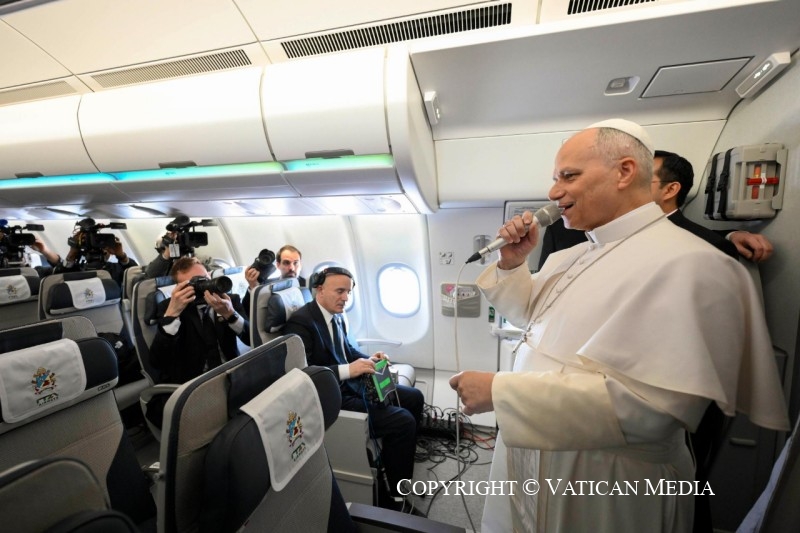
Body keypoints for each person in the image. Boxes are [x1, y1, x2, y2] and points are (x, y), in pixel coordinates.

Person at [449, 119, 789, 533]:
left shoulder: (691, 264)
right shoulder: (570, 256)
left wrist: (499, 391)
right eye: (555, 179)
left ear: (624, 172)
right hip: (536, 453)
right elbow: (533, 318)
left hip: (607, 482)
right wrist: (513, 262)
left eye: (568, 176)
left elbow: (651, 411)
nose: (553, 193)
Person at [283, 266, 424, 510]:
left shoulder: (336, 316)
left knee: (414, 397)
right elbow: (303, 372)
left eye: (348, 292)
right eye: (339, 291)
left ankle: (403, 455)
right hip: (330, 394)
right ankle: (397, 497)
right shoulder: (302, 323)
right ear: (319, 289)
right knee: (403, 421)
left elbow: (348, 351)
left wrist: (371, 360)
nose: (345, 298)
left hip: (349, 384)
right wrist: (350, 369)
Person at [538, 150, 774, 269]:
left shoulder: (710, 246)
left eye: (640, 182)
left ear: (670, 190)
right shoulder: (564, 230)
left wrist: (730, 236)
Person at [149, 256, 249, 385]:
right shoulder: (169, 307)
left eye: (204, 280)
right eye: (195, 284)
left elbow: (249, 339)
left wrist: (230, 314)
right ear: (180, 287)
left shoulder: (229, 300)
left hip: (232, 373)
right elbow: (156, 361)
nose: (203, 287)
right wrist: (172, 315)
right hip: (195, 382)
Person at [55, 218, 138, 287]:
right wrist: (71, 254)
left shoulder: (115, 269)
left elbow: (134, 273)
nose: (98, 247)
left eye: (102, 244)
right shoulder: (77, 269)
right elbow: (57, 276)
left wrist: (122, 256)